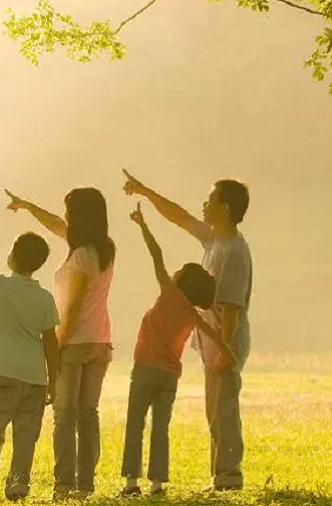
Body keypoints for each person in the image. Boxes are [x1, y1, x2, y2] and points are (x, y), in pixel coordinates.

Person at [123, 170, 252, 491]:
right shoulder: (214, 238)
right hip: (215, 337)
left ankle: (229, 477)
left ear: (224, 208)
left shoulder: (233, 251)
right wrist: (145, 190)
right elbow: (179, 216)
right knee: (214, 407)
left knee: (223, 408)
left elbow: (232, 307)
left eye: (211, 199)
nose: (204, 204)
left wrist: (225, 347)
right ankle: (221, 475)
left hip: (227, 337)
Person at [5, 187, 115, 498]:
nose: (64, 216)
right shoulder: (104, 248)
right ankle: (85, 484)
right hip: (101, 340)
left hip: (76, 342)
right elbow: (54, 223)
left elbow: (74, 305)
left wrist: (56, 345)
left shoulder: (80, 255)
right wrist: (28, 205)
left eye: (68, 211)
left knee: (65, 416)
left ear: (79, 215)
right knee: (88, 414)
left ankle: (65, 485)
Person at [0, 216, 61, 501]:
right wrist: (52, 379)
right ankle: (18, 486)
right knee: (26, 436)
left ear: (13, 258)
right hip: (34, 377)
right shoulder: (44, 298)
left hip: (4, 372)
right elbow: (51, 342)